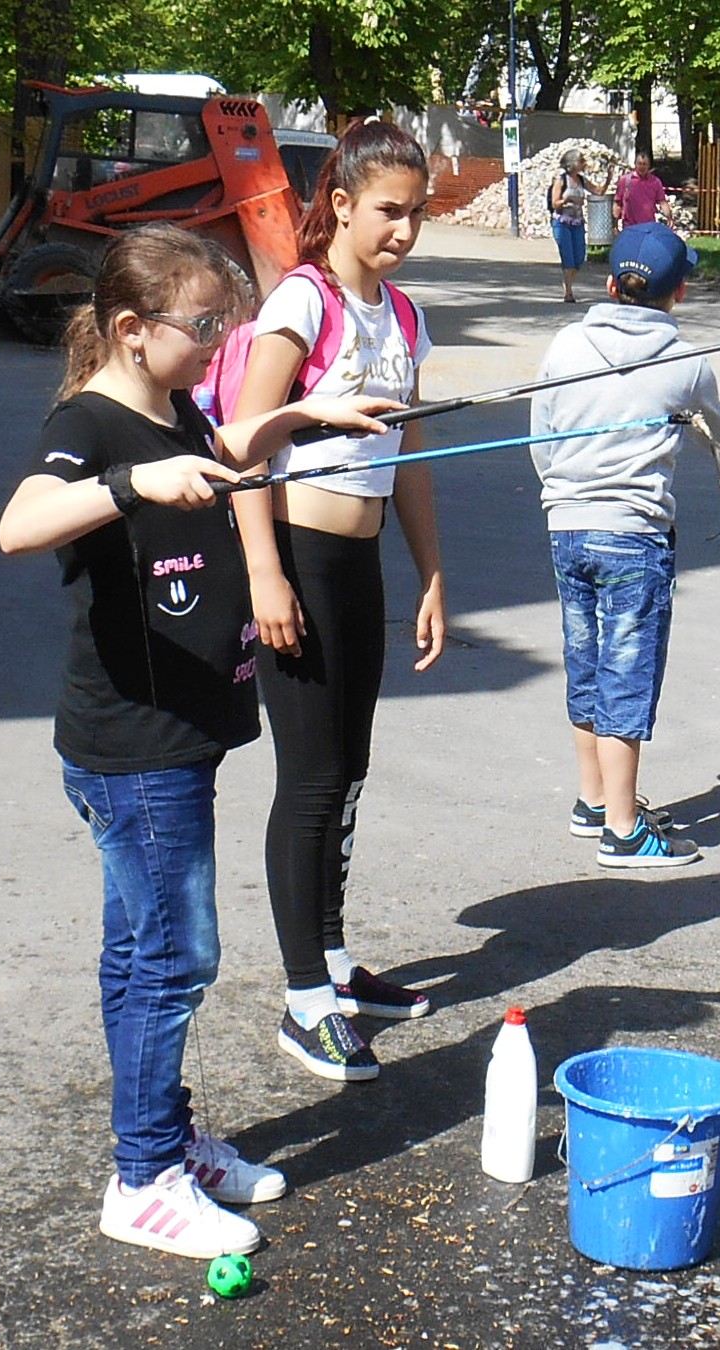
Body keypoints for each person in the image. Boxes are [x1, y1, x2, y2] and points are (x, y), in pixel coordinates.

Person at [0, 224, 399, 1257]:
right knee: (177, 958)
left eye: (228, 324)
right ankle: (143, 1181)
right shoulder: (90, 423)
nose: (222, 343)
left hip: (178, 733)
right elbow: (19, 524)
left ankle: (164, 1139)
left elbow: (218, 453)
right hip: (136, 746)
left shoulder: (173, 408)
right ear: (134, 329)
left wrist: (303, 416)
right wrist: (135, 487)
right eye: (205, 326)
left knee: (140, 954)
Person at [229, 120, 447, 1083]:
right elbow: (245, 446)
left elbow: (411, 460)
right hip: (299, 561)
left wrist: (431, 574)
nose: (405, 230)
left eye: (418, 213)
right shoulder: (301, 303)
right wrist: (264, 574)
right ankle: (303, 1000)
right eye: (389, 211)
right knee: (312, 779)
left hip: (360, 565)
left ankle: (333, 959)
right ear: (344, 204)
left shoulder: (402, 316)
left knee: (347, 772)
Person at [529, 222, 720, 868]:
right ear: (679, 292)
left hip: (566, 526)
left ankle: (594, 800)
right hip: (633, 535)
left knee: (586, 660)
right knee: (626, 673)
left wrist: (565, 494)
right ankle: (623, 831)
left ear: (610, 285)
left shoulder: (566, 343)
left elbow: (541, 437)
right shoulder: (688, 363)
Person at [549, 149, 601, 303]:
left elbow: (598, 191)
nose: (583, 163)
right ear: (572, 163)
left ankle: (568, 281)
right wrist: (568, 200)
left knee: (579, 257)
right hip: (562, 223)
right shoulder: (561, 181)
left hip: (577, 223)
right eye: (581, 161)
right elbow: (555, 203)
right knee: (568, 257)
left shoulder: (582, 180)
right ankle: (568, 292)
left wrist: (609, 178)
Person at [613, 153, 668, 230]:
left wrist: (669, 217)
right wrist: (615, 224)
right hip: (630, 227)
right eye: (639, 164)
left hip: (649, 227)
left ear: (649, 166)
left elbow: (662, 202)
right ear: (635, 164)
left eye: (644, 164)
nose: (642, 167)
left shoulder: (655, 182)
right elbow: (617, 203)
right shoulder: (625, 181)